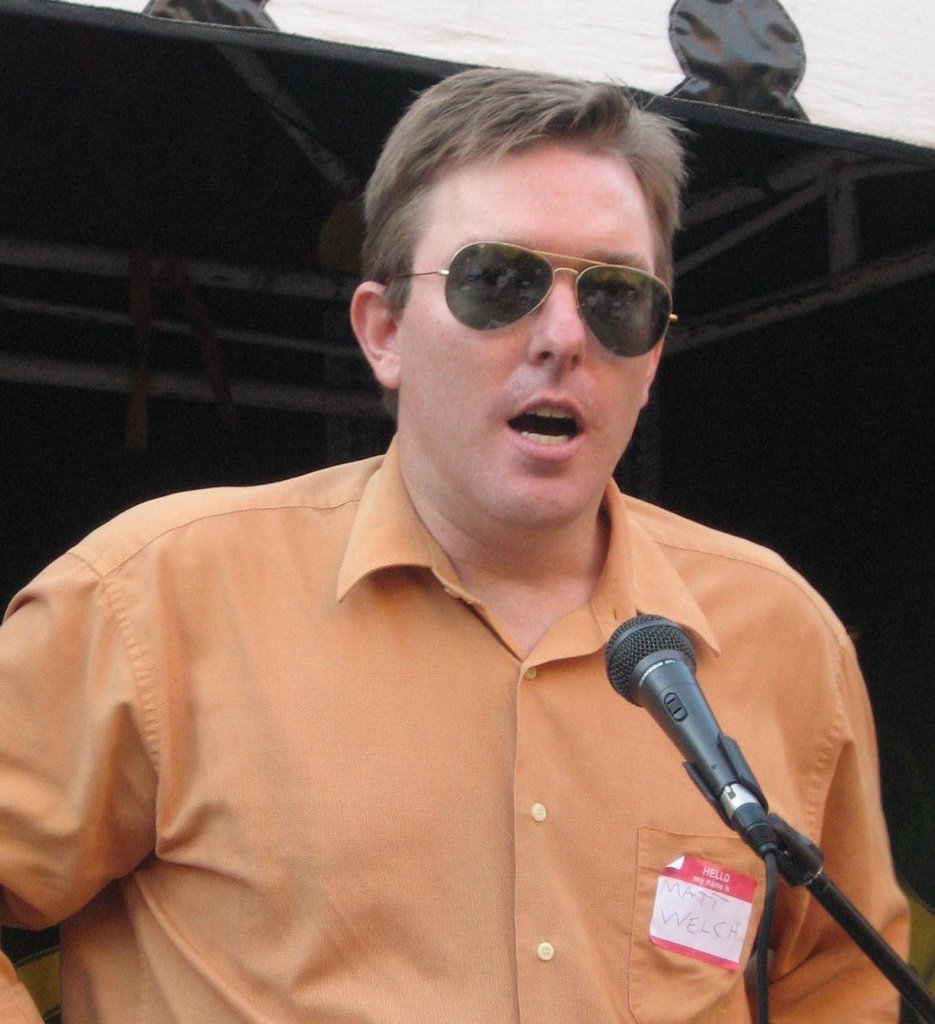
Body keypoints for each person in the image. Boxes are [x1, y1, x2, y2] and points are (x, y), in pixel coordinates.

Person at [0, 67, 908, 1023]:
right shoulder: (155, 598)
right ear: (383, 332)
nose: (563, 337)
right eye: (498, 282)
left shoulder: (780, 635)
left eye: (616, 298)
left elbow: (838, 983)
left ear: (651, 359)